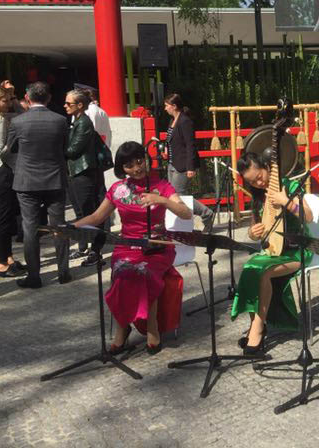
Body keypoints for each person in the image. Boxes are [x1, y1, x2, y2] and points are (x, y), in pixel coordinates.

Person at [74, 141, 192, 354]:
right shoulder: (118, 189)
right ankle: (122, 329)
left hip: (157, 246)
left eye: (139, 161)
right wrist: (70, 227)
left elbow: (186, 213)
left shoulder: (162, 185)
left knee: (143, 272)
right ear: (122, 169)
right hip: (127, 245)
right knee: (122, 273)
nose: (137, 168)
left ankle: (152, 327)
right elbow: (97, 216)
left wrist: (162, 200)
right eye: (129, 165)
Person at [230, 152, 312, 355]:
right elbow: (255, 231)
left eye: (259, 177)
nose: (258, 183)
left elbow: (309, 217)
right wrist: (252, 233)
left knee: (263, 272)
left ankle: (256, 330)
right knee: (250, 267)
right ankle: (258, 326)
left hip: (297, 250)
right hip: (273, 250)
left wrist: (287, 202)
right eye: (252, 182)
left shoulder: (289, 186)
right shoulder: (258, 195)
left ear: (267, 167)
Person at [3, 82, 70, 288]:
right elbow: (65, 148)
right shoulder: (60, 120)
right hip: (55, 179)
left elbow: (8, 149)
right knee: (58, 226)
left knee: (30, 228)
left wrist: (17, 167)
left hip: (27, 180)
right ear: (49, 98)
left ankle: (34, 276)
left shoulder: (19, 122)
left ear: (27, 97)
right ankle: (63, 272)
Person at [64, 89, 105, 267]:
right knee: (83, 212)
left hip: (84, 172)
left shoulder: (84, 123)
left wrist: (55, 148)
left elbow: (73, 150)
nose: (65, 106)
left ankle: (96, 251)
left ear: (80, 105)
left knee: (91, 213)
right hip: (77, 172)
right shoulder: (78, 121)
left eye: (69, 103)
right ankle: (86, 248)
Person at [162, 93, 214, 232]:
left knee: (179, 194)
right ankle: (179, 224)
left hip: (183, 164)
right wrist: (167, 151)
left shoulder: (185, 121)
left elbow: (191, 145)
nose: (165, 108)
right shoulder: (172, 120)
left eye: (167, 105)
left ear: (174, 106)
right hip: (173, 162)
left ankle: (206, 213)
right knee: (172, 195)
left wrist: (190, 167)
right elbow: (171, 140)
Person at [0, 85, 23, 277]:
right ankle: (2, 261)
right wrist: (13, 148)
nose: (8, 104)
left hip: (5, 171)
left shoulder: (4, 117)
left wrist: (12, 95)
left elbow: (24, 114)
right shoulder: (0, 120)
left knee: (6, 217)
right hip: (2, 171)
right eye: (5, 100)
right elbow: (1, 149)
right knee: (3, 217)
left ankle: (7, 257)